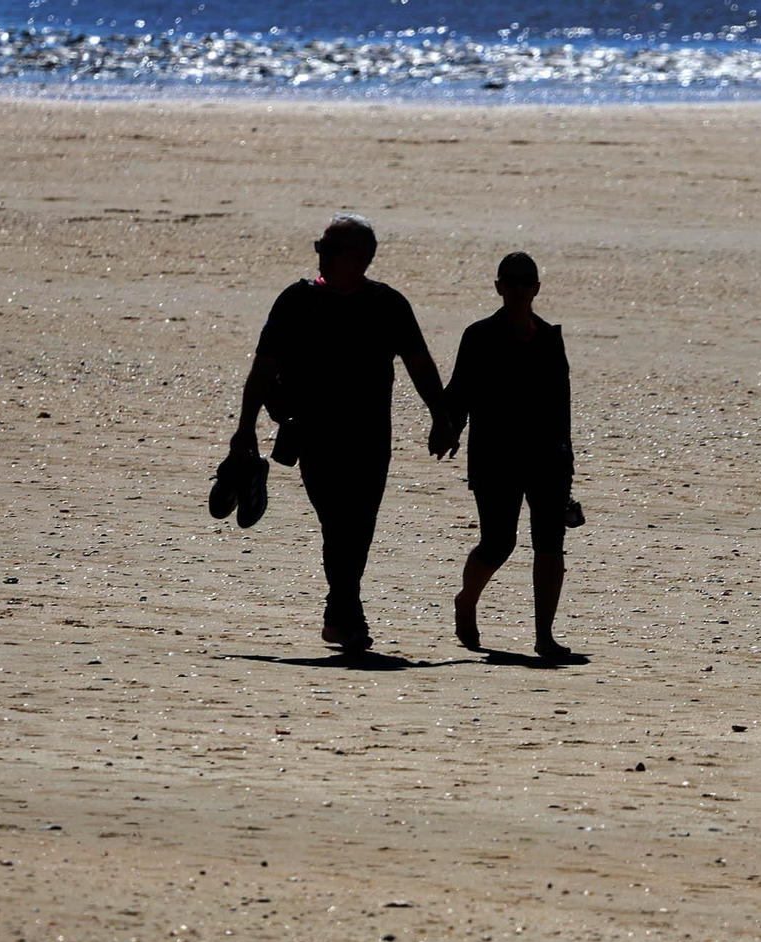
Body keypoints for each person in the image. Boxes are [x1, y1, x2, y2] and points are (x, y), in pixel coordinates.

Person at [228, 213, 457, 652]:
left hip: (371, 435)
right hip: (313, 432)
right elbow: (263, 369)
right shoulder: (296, 301)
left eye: (332, 248)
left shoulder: (388, 305)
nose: (323, 255)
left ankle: (340, 614)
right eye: (321, 247)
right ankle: (349, 616)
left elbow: (420, 364)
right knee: (337, 522)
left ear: (363, 258)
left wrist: (441, 417)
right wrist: (244, 429)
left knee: (359, 525)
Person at [445, 251, 575, 658]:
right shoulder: (479, 336)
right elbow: (459, 392)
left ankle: (544, 636)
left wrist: (567, 465)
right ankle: (467, 600)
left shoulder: (550, 339)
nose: (519, 288)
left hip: (546, 458)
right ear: (498, 286)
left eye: (526, 281)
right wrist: (447, 427)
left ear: (537, 288)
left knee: (550, 544)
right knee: (499, 543)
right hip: (494, 456)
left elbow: (561, 406)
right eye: (511, 281)